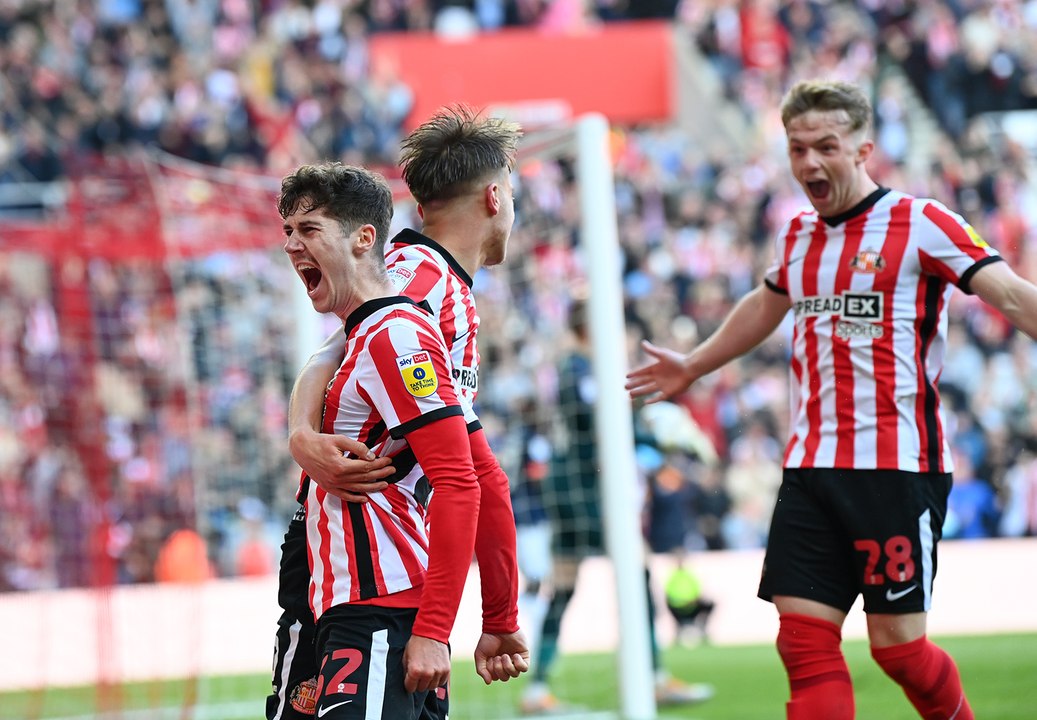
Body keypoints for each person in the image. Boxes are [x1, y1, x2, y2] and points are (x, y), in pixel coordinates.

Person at [626, 79, 1037, 720]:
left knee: (898, 651)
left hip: (896, 468)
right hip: (811, 467)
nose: (810, 162)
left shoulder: (921, 222)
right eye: (797, 149)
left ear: (862, 148)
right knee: (803, 643)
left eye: (826, 146)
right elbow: (766, 301)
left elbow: (1009, 294)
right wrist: (696, 364)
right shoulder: (797, 236)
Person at [268, 108, 529, 719]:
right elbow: (336, 351)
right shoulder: (420, 280)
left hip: (372, 566)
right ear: (496, 197)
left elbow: (474, 468)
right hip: (351, 556)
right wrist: (302, 436)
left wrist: (498, 614)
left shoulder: (441, 287)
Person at [520, 299, 714, 715]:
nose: (624, 338)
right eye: (618, 328)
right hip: (584, 488)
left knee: (568, 585)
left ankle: (538, 688)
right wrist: (660, 435)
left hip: (574, 486)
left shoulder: (579, 369)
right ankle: (653, 678)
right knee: (635, 572)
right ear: (594, 329)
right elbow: (601, 426)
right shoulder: (581, 369)